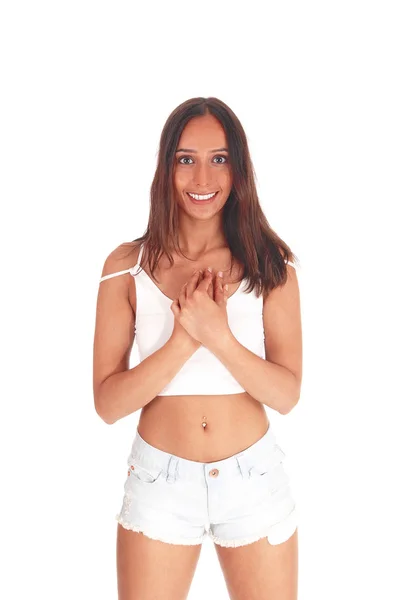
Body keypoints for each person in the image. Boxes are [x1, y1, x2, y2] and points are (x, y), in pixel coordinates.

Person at [93, 96, 302, 600]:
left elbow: (287, 393)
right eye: (186, 159)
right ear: (167, 167)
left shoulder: (272, 264)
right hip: (159, 484)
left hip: (253, 479)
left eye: (219, 158)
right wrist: (184, 340)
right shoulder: (126, 266)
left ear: (239, 169)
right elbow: (108, 403)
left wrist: (218, 336)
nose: (202, 178)